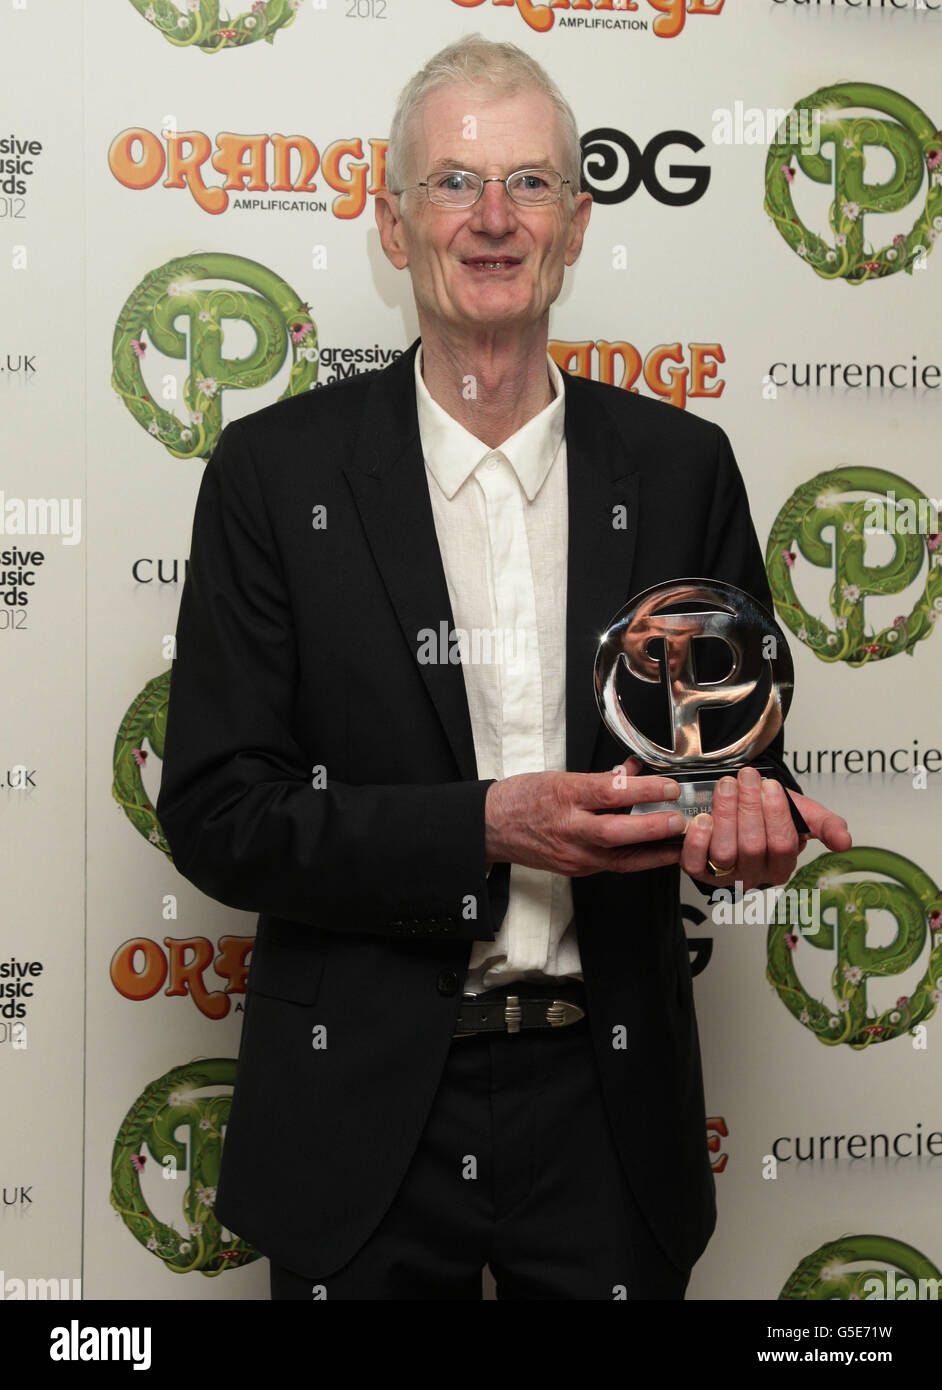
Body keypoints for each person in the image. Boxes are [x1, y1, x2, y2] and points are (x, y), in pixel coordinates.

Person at [156, 33, 851, 1300]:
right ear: (391, 222)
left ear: (577, 226)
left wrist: (756, 825)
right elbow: (218, 813)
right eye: (454, 183)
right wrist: (484, 827)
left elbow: (737, 766)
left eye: (530, 183)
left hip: (608, 1109)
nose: (492, 218)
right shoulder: (274, 478)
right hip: (361, 1118)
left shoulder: (682, 468)